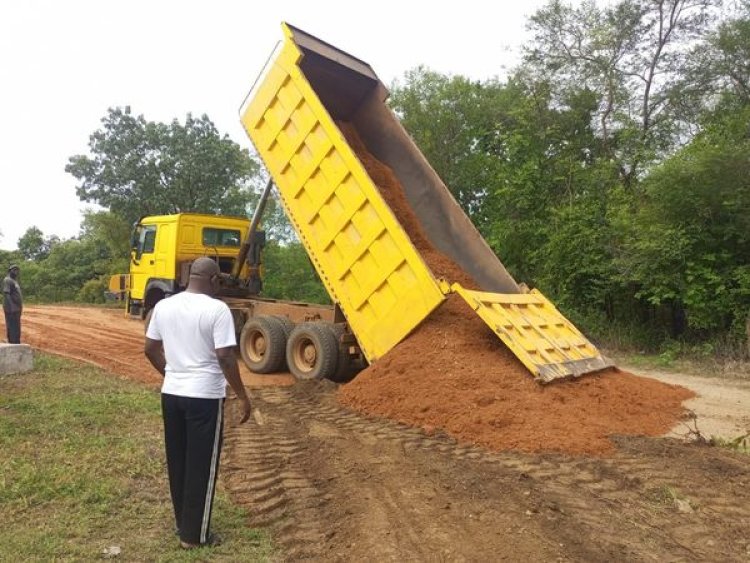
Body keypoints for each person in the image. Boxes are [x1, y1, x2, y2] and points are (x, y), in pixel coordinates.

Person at [144, 257, 252, 549]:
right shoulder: (217, 309)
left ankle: (183, 523)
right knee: (201, 464)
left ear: (190, 277)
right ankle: (194, 536)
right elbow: (226, 357)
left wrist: (172, 373)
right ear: (215, 280)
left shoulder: (163, 306)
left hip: (172, 394)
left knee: (178, 460)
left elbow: (151, 349)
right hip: (204, 397)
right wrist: (242, 395)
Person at [3, 265, 22, 344]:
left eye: (17, 270)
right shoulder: (7, 280)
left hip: (17, 307)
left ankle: (16, 341)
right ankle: (12, 342)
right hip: (11, 308)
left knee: (16, 325)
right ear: (9, 271)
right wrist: (12, 307)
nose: (16, 272)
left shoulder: (14, 281)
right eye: (14, 270)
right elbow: (7, 294)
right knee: (12, 325)